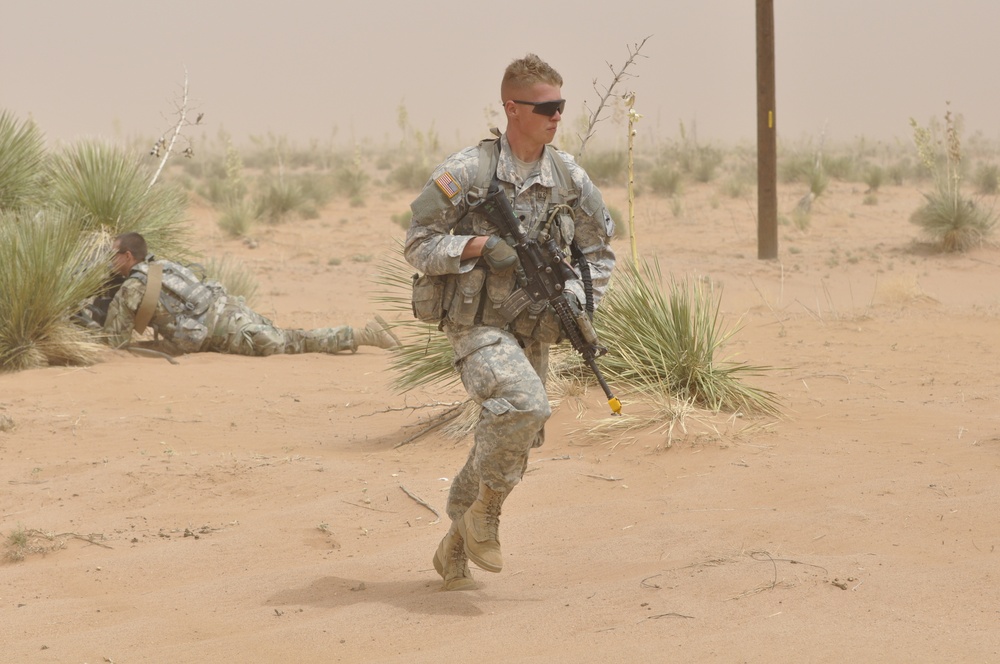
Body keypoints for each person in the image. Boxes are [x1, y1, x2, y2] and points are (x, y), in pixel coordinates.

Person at [405, 54, 616, 590]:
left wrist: (572, 299)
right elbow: (418, 245)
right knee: (525, 404)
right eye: (546, 107)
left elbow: (598, 252)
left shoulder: (569, 177)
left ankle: (458, 535)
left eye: (561, 106)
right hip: (475, 322)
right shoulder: (466, 172)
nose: (556, 117)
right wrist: (479, 245)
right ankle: (486, 516)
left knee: (518, 435)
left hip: (535, 324)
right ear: (512, 109)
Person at [102, 232, 399, 356]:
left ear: (128, 257)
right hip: (230, 310)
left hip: (224, 331)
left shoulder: (133, 287)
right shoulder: (162, 265)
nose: (111, 261)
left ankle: (361, 335)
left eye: (114, 255)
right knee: (285, 337)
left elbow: (115, 342)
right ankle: (363, 335)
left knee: (287, 343)